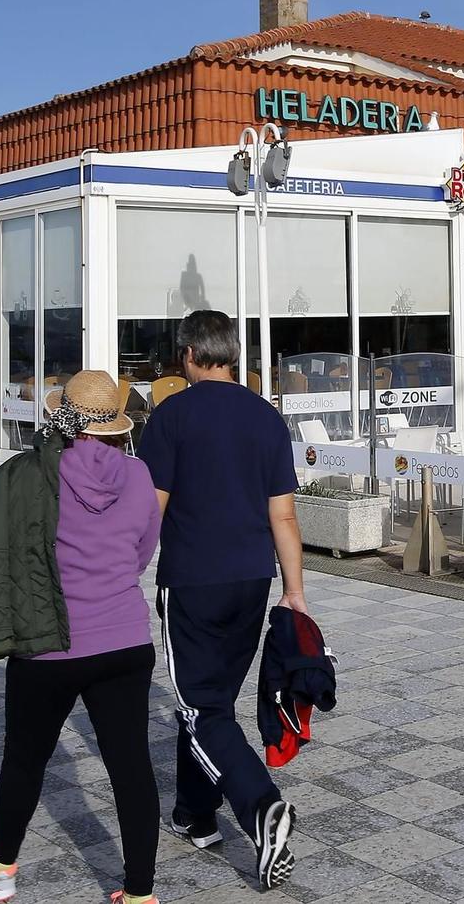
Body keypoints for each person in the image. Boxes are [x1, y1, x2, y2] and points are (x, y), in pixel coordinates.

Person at [0, 370, 163, 904]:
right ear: (113, 423)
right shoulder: (138, 476)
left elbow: (6, 549)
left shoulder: (31, 475)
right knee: (131, 766)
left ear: (62, 420)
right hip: (125, 640)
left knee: (25, 756)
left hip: (50, 642)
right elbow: (140, 552)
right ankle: (139, 894)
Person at [138, 310, 305, 891]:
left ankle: (261, 807)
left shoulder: (171, 416)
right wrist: (296, 593)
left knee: (200, 706)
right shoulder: (267, 418)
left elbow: (151, 508)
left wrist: (123, 572)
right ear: (231, 354)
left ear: (187, 355)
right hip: (252, 582)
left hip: (191, 581)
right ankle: (195, 813)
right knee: (212, 703)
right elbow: (282, 513)